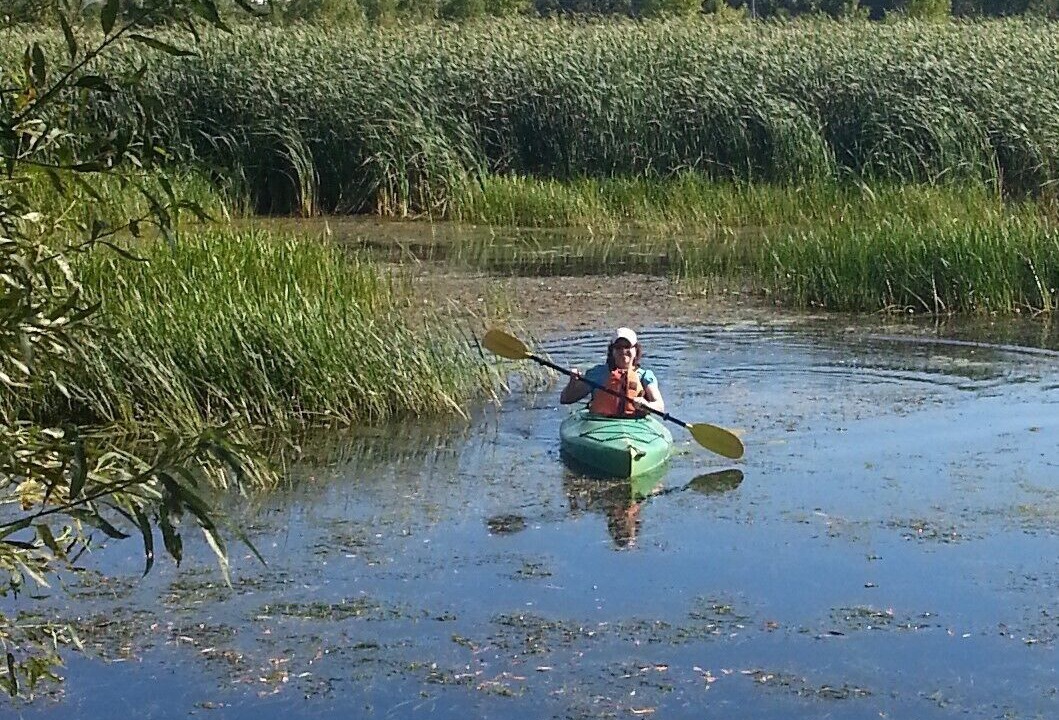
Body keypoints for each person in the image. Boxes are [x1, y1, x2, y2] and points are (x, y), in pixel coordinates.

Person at [559, 327, 665, 416]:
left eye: (627, 347)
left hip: (635, 424)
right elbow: (566, 399)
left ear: (636, 350)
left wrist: (646, 405)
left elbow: (659, 406)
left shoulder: (645, 376)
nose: (623, 351)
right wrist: (573, 382)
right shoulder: (597, 374)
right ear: (612, 351)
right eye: (618, 347)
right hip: (600, 422)